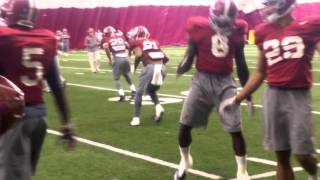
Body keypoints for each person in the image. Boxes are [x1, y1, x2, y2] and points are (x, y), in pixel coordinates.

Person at [221, 0, 320, 179]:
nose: (267, 8)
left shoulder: (309, 26)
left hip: (299, 95)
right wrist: (238, 97)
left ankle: (314, 175)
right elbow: (260, 72)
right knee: (281, 156)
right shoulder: (263, 31)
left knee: (303, 154)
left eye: (271, 3)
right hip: (273, 95)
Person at [173, 0, 252, 179]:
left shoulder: (238, 29)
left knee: (235, 128)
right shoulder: (198, 27)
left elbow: (241, 62)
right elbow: (190, 54)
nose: (224, 27)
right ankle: (185, 159)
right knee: (184, 125)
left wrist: (247, 92)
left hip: (225, 82)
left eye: (228, 23)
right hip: (201, 80)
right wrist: (184, 65)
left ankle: (242, 171)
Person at [0, 0, 76, 179]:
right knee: (24, 172)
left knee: (13, 175)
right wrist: (66, 122)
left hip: (13, 117)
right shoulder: (46, 39)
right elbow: (56, 85)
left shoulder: (5, 38)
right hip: (40, 117)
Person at [128, 26, 168, 126]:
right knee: (151, 90)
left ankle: (136, 118)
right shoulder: (154, 41)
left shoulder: (136, 43)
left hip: (150, 68)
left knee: (139, 93)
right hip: (162, 67)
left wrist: (135, 67)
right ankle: (159, 108)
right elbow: (166, 58)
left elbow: (138, 54)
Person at [101, 26, 136, 102]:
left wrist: (110, 59)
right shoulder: (121, 36)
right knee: (127, 75)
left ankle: (122, 95)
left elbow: (107, 49)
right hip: (125, 56)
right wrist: (129, 55)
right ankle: (134, 91)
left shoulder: (106, 39)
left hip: (117, 57)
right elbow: (128, 46)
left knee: (116, 78)